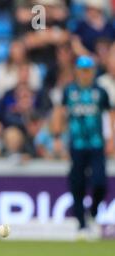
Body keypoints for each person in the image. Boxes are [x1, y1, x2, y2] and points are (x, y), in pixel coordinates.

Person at [51, 56, 114, 240]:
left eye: (88, 70)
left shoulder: (100, 92)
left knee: (100, 183)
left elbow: (111, 114)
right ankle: (80, 223)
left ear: (93, 71)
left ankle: (93, 213)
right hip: (76, 144)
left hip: (96, 144)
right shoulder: (69, 91)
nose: (85, 74)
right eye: (82, 70)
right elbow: (60, 113)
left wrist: (112, 139)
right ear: (77, 71)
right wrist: (56, 137)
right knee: (77, 183)